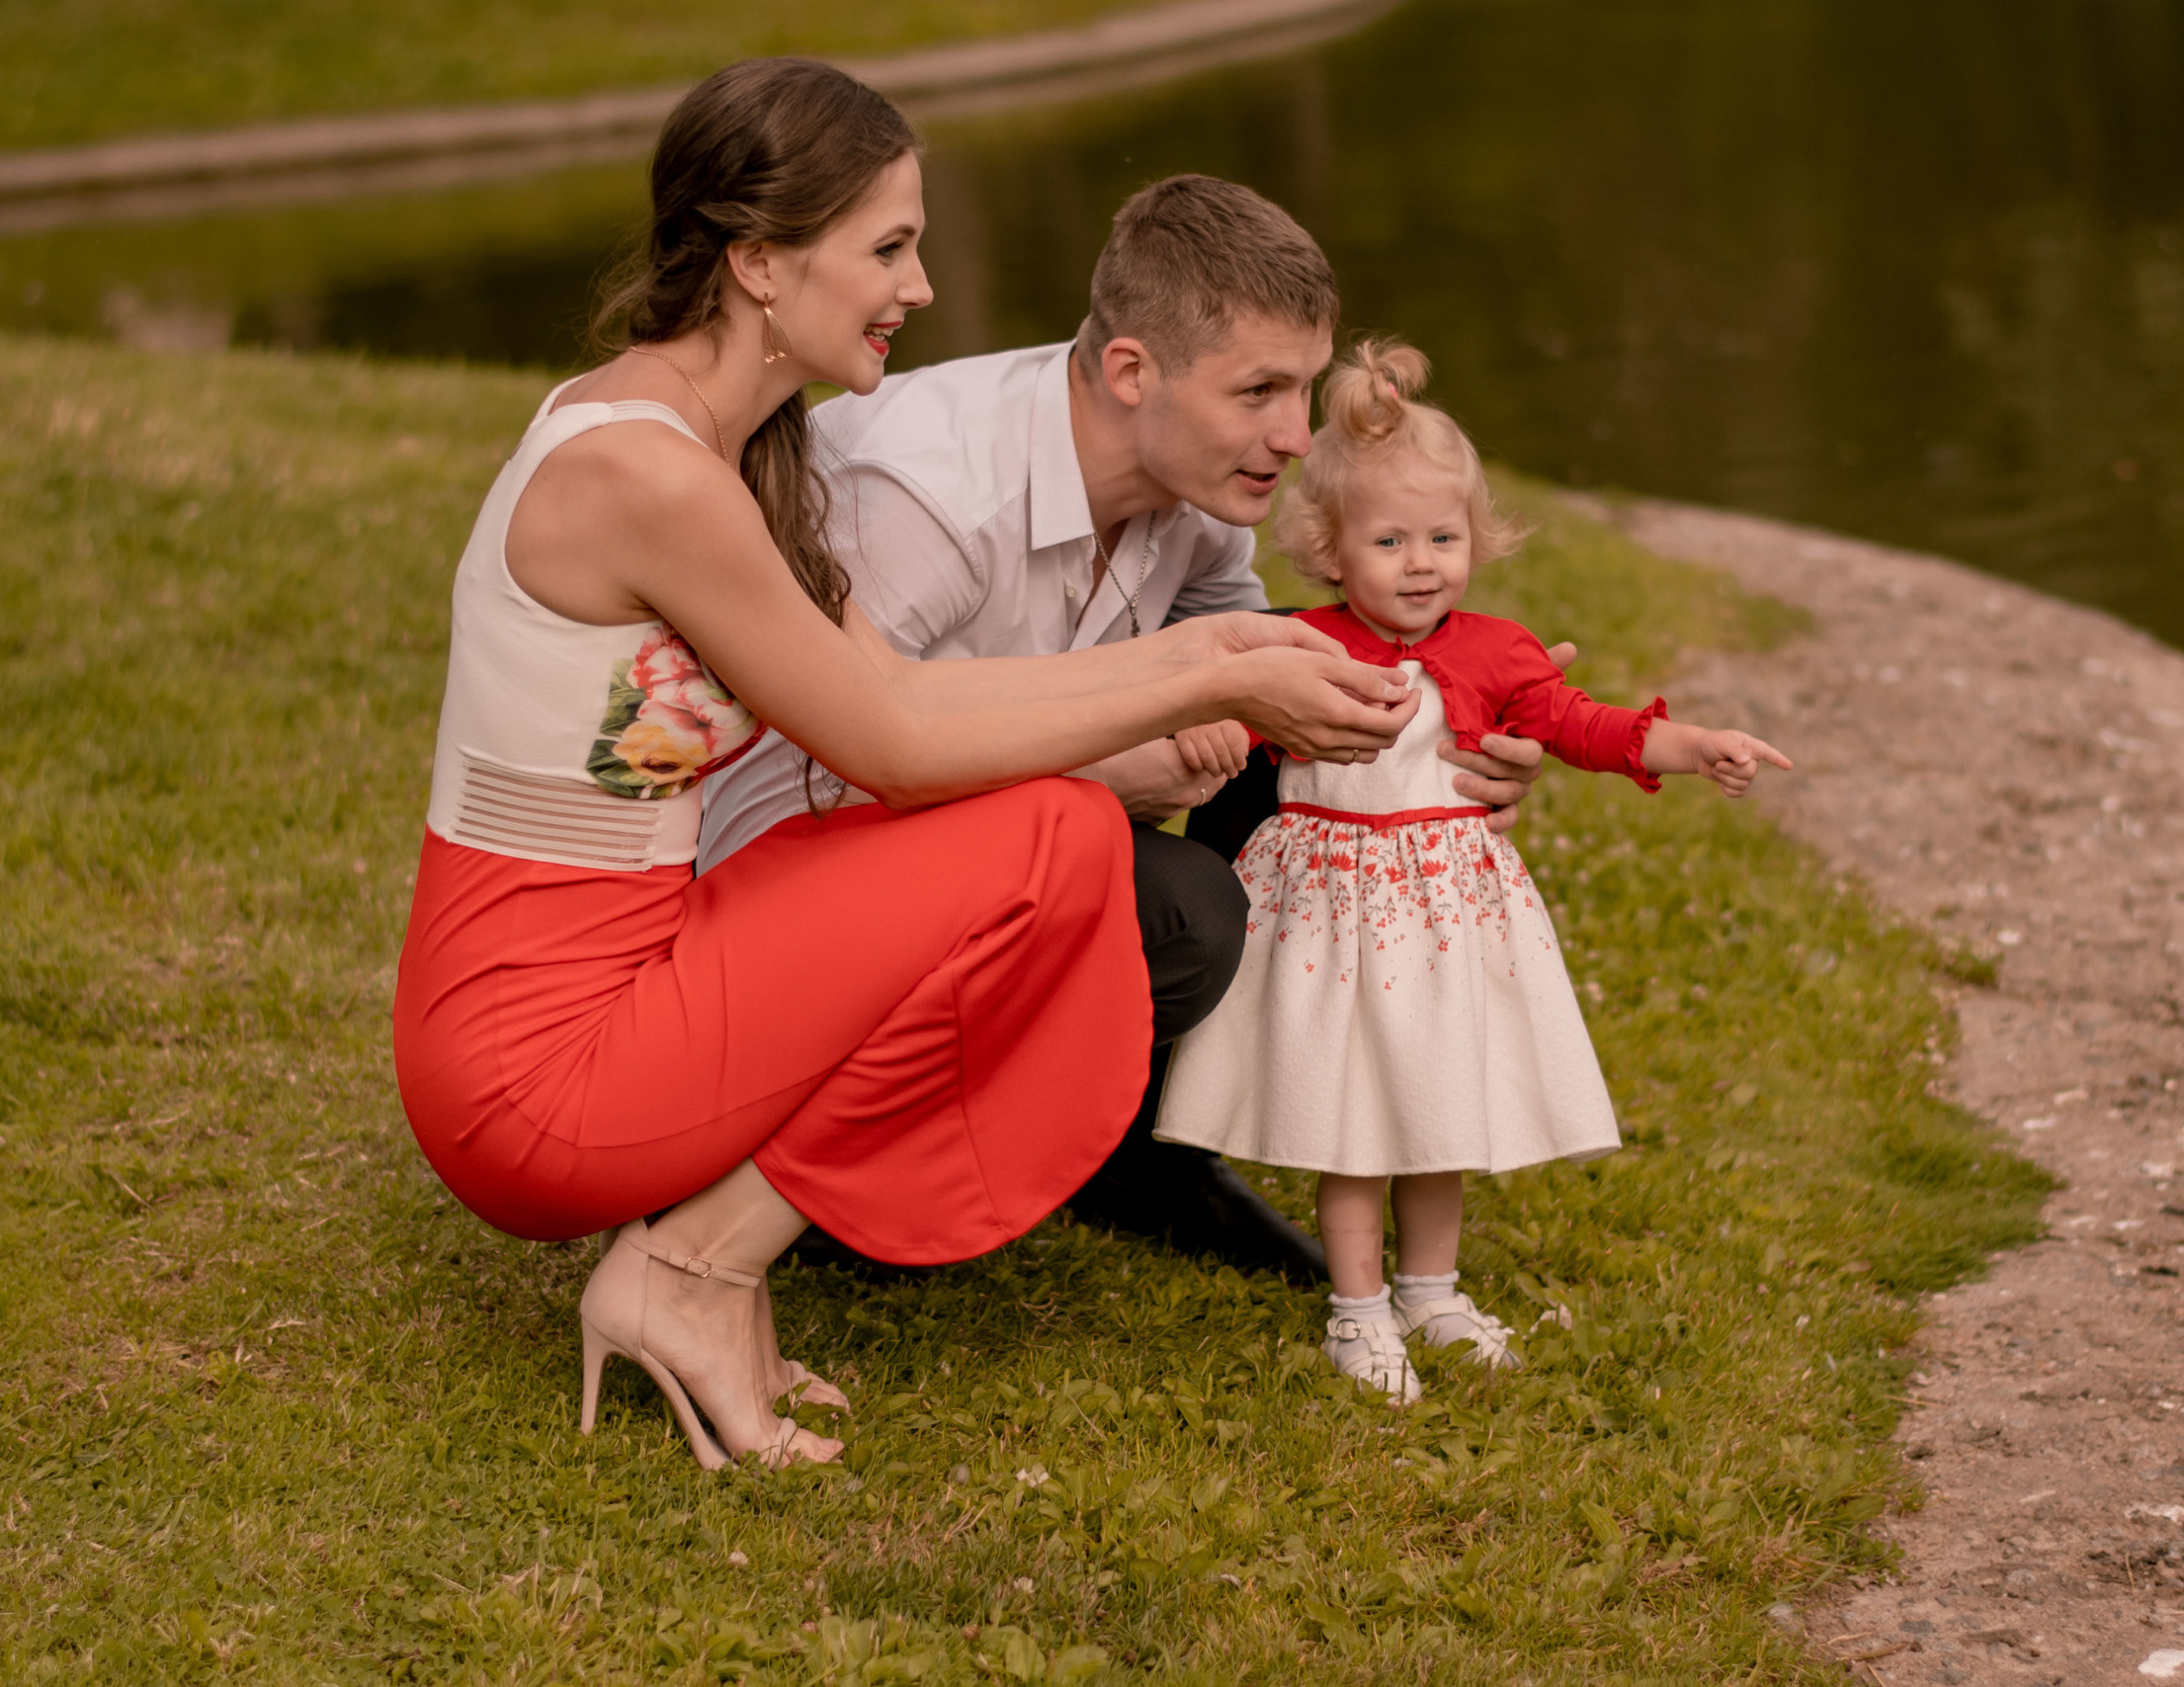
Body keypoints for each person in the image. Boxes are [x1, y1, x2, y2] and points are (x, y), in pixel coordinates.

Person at [389, 60, 1418, 1472]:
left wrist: (1228, 656)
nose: (919, 287)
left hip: (639, 969)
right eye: (886, 247)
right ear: (759, 263)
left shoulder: (738, 448)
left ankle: (717, 1265)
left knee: (1060, 835)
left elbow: (896, 693)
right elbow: (895, 741)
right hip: (532, 1059)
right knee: (1047, 838)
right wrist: (1214, 666)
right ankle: (684, 1271)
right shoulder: (648, 476)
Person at [696, 176, 1554, 1282]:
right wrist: (1110, 765)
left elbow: (1252, 661)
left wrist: (1445, 734)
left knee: (1306, 667)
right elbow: (805, 785)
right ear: (1131, 371)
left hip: (972, 834)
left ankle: (1136, 1151)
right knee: (1188, 903)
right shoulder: (924, 497)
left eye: (1302, 391)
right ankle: (821, 1170)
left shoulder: (1195, 490)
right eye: (1259, 392)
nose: (1294, 437)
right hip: (778, 906)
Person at [1153, 340, 1792, 1401]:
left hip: (1443, 919)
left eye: (1441, 538)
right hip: (1328, 913)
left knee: (1432, 1110)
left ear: (1474, 541)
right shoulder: (1295, 645)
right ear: (1329, 547)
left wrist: (1696, 745)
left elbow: (1583, 727)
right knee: (1352, 1117)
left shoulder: (1498, 652)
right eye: (1390, 539)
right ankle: (1357, 1312)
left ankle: (1431, 1291)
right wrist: (1210, 735)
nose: (1419, 563)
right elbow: (1228, 730)